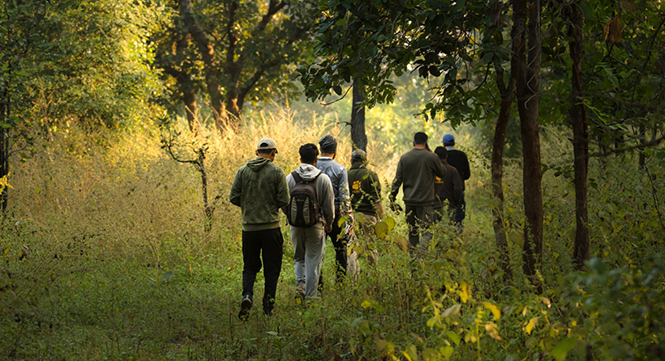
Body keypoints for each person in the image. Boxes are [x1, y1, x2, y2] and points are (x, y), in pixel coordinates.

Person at [229, 138, 289, 320]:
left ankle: (247, 295)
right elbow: (284, 200)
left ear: (256, 153)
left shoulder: (242, 172)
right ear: (273, 153)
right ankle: (268, 307)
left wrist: (248, 206)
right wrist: (270, 205)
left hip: (249, 229)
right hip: (270, 228)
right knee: (272, 268)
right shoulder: (277, 172)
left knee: (250, 266)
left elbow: (233, 197)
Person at [285, 143, 335, 302]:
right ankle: (311, 296)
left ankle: (300, 285)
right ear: (316, 159)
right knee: (313, 260)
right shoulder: (323, 179)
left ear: (300, 158)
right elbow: (329, 206)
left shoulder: (290, 178)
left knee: (299, 257)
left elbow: (284, 203)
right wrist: (329, 222)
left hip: (295, 226)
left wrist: (290, 217)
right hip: (316, 226)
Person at [390, 132, 447, 253]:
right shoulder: (432, 157)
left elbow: (397, 180)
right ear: (426, 143)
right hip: (426, 202)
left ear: (413, 143)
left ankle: (413, 258)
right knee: (427, 231)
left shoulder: (405, 157)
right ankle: (421, 255)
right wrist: (432, 155)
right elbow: (442, 173)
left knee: (413, 231)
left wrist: (392, 199)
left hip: (410, 202)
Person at [316, 135, 353, 283]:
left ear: (321, 149)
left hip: (316, 215)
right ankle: (341, 282)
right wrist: (348, 218)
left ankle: (317, 284)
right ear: (334, 150)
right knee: (340, 249)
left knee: (317, 252)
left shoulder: (313, 166)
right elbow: (344, 196)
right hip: (336, 215)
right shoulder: (340, 169)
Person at [347, 149, 383, 275]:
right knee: (370, 244)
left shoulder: (346, 175)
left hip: (352, 216)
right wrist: (381, 219)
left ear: (351, 160)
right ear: (365, 161)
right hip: (369, 216)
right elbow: (376, 200)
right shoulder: (371, 175)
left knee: (352, 245)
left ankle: (353, 274)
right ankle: (371, 274)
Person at [442, 134, 471, 229]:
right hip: (458, 190)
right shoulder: (462, 155)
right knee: (458, 217)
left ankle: (444, 236)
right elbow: (467, 175)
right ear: (454, 143)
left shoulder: (440, 156)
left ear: (443, 144)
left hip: (443, 190)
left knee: (443, 216)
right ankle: (457, 237)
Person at [433, 146, 464, 224]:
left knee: (434, 231)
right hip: (449, 205)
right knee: (449, 231)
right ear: (446, 156)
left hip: (434, 206)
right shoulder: (452, 171)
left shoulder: (431, 170)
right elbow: (458, 189)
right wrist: (455, 202)